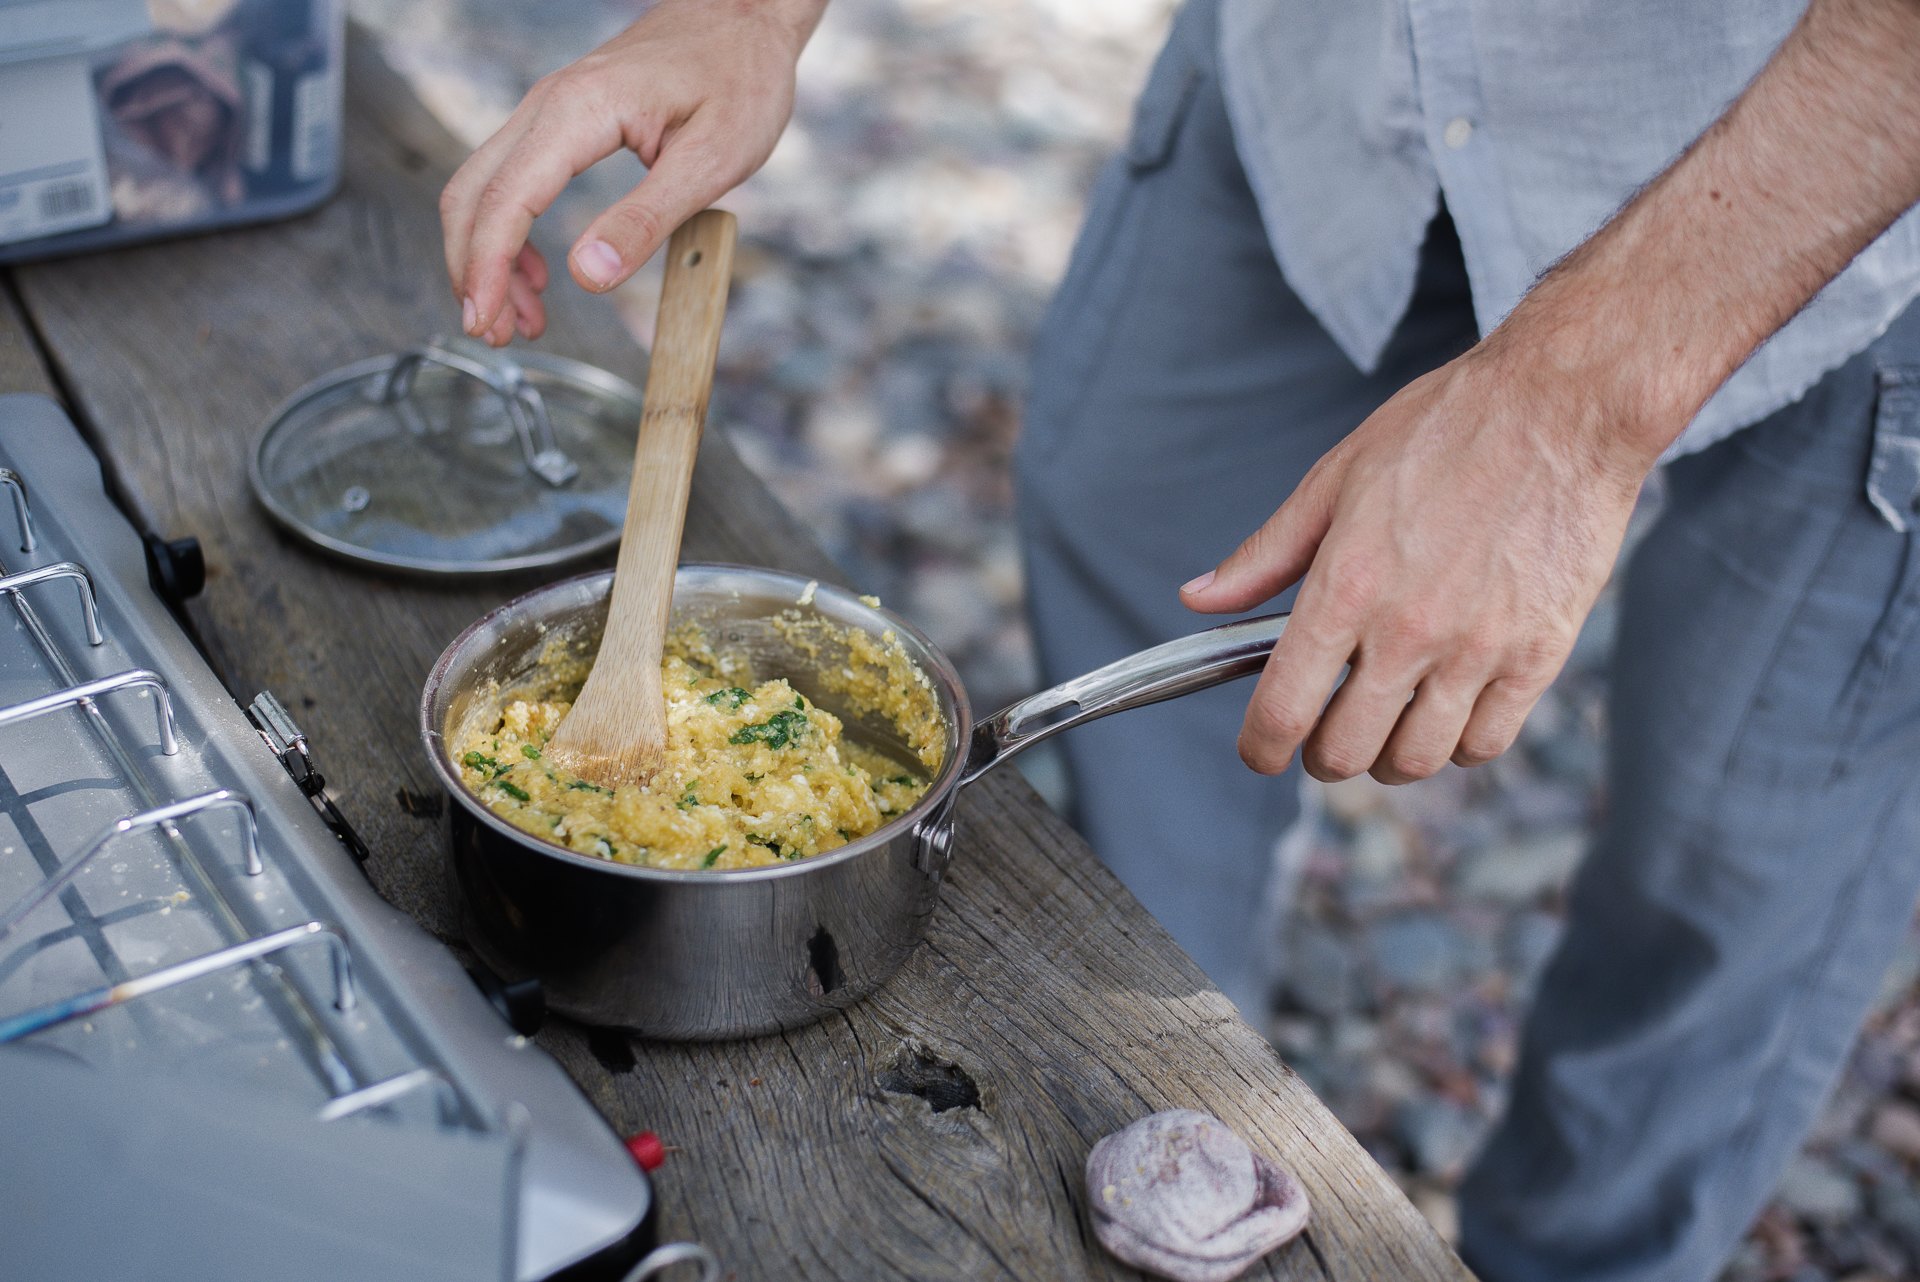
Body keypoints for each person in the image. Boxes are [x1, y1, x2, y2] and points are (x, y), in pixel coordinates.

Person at [437, 0, 1920, 1277]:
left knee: (1729, 877)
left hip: (1847, 200)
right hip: (1330, 92)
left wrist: (1571, 406)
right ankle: (1180, 1102)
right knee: (1126, 514)